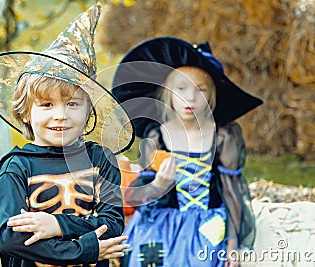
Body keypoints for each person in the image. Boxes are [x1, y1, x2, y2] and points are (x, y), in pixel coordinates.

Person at [0, 3, 134, 267]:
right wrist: (83, 250)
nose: (61, 115)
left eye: (72, 104)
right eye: (46, 105)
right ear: (25, 112)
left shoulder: (100, 159)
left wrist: (56, 224)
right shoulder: (17, 167)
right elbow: (10, 237)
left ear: (88, 111)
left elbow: (113, 224)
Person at [111, 37, 263, 266]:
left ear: (212, 94)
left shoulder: (223, 136)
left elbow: (233, 192)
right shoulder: (158, 135)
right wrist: (159, 185)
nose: (189, 98)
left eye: (200, 90)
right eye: (181, 88)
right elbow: (135, 196)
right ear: (168, 92)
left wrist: (233, 242)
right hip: (162, 224)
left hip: (208, 224)